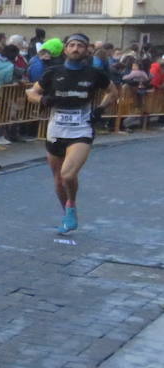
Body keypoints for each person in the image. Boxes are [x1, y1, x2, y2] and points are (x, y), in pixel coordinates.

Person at [27, 33, 119, 234]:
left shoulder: (94, 74)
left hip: (81, 129)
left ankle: (71, 204)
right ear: (66, 49)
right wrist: (42, 100)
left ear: (87, 50)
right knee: (58, 180)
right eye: (72, 45)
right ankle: (68, 213)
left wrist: (101, 109)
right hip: (55, 129)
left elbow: (113, 92)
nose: (76, 49)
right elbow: (31, 93)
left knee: (67, 174)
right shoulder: (53, 72)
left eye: (80, 46)